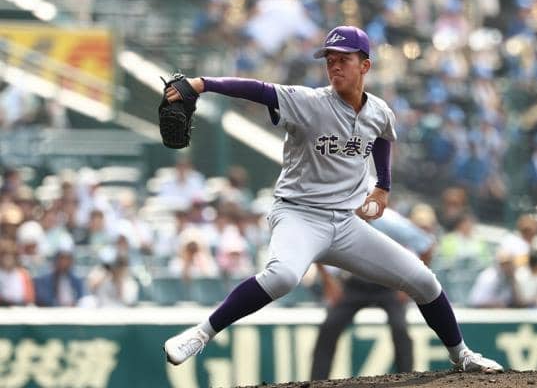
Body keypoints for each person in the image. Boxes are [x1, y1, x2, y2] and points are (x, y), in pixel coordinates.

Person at [162, 25, 503, 373]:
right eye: (330, 60)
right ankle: (201, 334)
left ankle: (462, 355)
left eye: (344, 59)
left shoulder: (379, 110)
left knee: (425, 281)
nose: (334, 66)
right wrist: (202, 84)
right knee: (282, 277)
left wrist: (383, 186)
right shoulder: (309, 102)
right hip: (298, 215)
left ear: (365, 66)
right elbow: (259, 90)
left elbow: (383, 136)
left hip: (344, 223)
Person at [310, 207, 434, 379]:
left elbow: (426, 245)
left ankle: (407, 378)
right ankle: (316, 381)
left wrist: (412, 285)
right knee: (329, 326)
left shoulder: (390, 221)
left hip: (389, 284)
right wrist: (328, 281)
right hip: (355, 284)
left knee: (400, 327)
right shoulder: (341, 217)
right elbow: (316, 245)